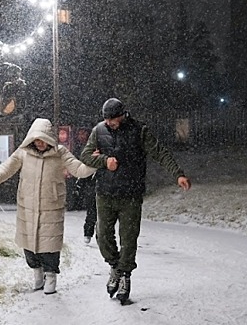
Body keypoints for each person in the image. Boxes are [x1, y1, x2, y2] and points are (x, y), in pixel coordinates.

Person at [80, 98, 191, 305]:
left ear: (122, 115)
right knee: (102, 235)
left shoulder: (139, 131)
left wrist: (178, 174)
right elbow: (85, 155)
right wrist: (104, 161)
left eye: (112, 119)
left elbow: (160, 152)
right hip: (104, 193)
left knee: (128, 239)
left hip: (130, 194)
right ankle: (115, 266)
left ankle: (125, 277)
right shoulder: (98, 131)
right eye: (106, 119)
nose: (109, 123)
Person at [0, 118, 96, 295]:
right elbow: (8, 167)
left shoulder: (61, 153)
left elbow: (79, 170)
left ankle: (50, 275)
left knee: (50, 245)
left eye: (43, 139)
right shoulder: (23, 153)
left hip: (51, 206)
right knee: (28, 244)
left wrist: (93, 163)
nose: (40, 143)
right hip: (27, 206)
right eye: (37, 139)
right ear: (31, 139)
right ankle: (37, 272)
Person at [71, 127, 97, 244]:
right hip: (90, 183)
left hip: (96, 182)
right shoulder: (78, 148)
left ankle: (96, 235)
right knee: (92, 210)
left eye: (83, 133)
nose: (81, 135)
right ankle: (88, 233)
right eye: (80, 133)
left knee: (97, 212)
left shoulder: (91, 147)